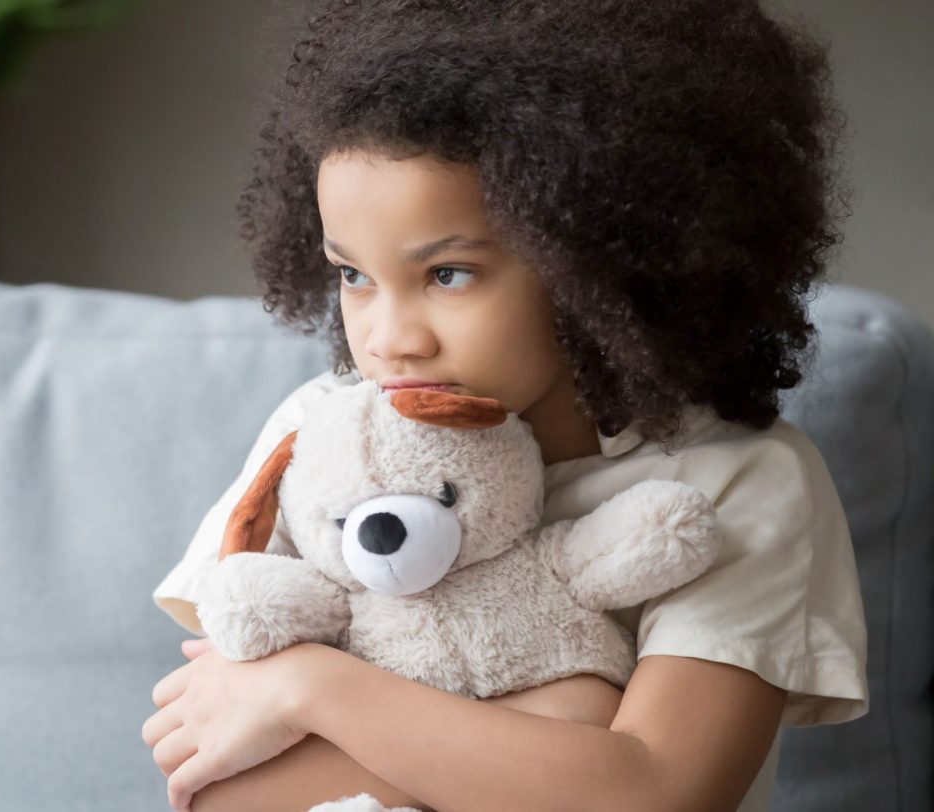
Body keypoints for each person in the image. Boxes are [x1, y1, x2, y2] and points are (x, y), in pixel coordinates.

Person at [140, 1, 869, 810]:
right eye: (353, 275)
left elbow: (658, 794)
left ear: (601, 259)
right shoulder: (320, 436)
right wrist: (569, 722)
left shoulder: (738, 483)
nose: (389, 339)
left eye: (447, 274)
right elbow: (215, 786)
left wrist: (316, 688)